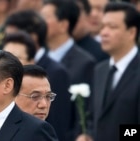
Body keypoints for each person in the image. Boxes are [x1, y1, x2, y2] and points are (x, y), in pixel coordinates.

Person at [4, 13, 71, 141]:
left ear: (31, 60)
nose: (9, 66)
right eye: (5, 59)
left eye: (16, 59)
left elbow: (58, 123)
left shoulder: (51, 75)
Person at [41, 0, 96, 140]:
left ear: (63, 25)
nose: (39, 23)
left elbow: (84, 112)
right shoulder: (41, 59)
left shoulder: (84, 63)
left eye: (46, 18)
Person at [90, 2, 140, 141]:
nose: (104, 33)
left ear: (132, 32)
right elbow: (94, 116)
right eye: (103, 27)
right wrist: (87, 134)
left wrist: (119, 136)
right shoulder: (100, 69)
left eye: (112, 27)